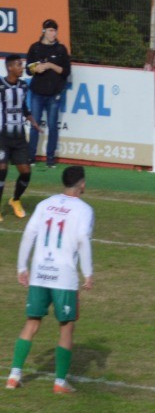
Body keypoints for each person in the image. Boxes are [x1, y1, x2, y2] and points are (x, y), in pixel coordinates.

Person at [9, 165, 93, 394]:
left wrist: (21, 267)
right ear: (82, 183)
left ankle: (14, 375)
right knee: (66, 327)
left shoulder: (45, 204)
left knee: (32, 323)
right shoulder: (84, 210)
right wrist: (88, 272)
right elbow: (83, 239)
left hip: (39, 272)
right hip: (63, 276)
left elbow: (29, 233)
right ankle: (59, 382)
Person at [0, 54, 40, 221]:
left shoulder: (23, 86)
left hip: (19, 137)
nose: (22, 67)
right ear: (10, 67)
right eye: (19, 64)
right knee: (2, 170)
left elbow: (23, 106)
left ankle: (15, 200)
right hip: (2, 135)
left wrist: (32, 121)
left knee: (25, 171)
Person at [25, 19, 70, 168]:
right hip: (37, 93)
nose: (53, 33)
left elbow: (66, 71)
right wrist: (35, 69)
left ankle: (50, 158)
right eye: (50, 30)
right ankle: (31, 156)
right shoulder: (35, 48)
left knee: (52, 126)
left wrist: (50, 65)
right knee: (34, 125)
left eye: (55, 30)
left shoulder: (61, 50)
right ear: (44, 31)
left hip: (54, 94)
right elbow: (27, 69)